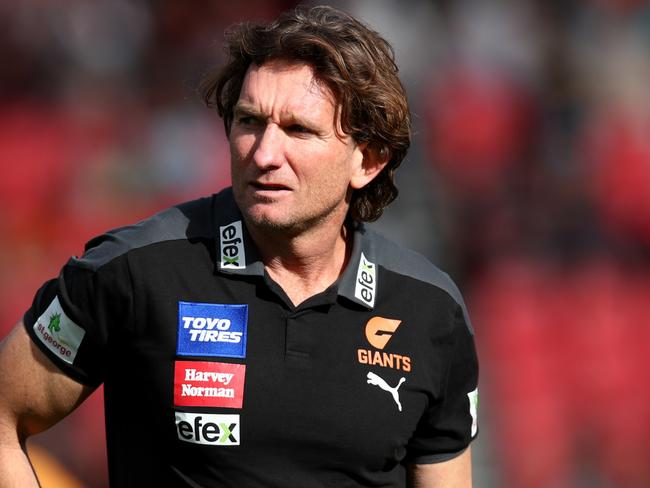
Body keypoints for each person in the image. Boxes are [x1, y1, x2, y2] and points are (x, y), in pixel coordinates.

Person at [0, 5, 479, 487]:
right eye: (249, 122)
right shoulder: (135, 270)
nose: (265, 154)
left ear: (368, 160)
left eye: (298, 130)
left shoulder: (431, 312)